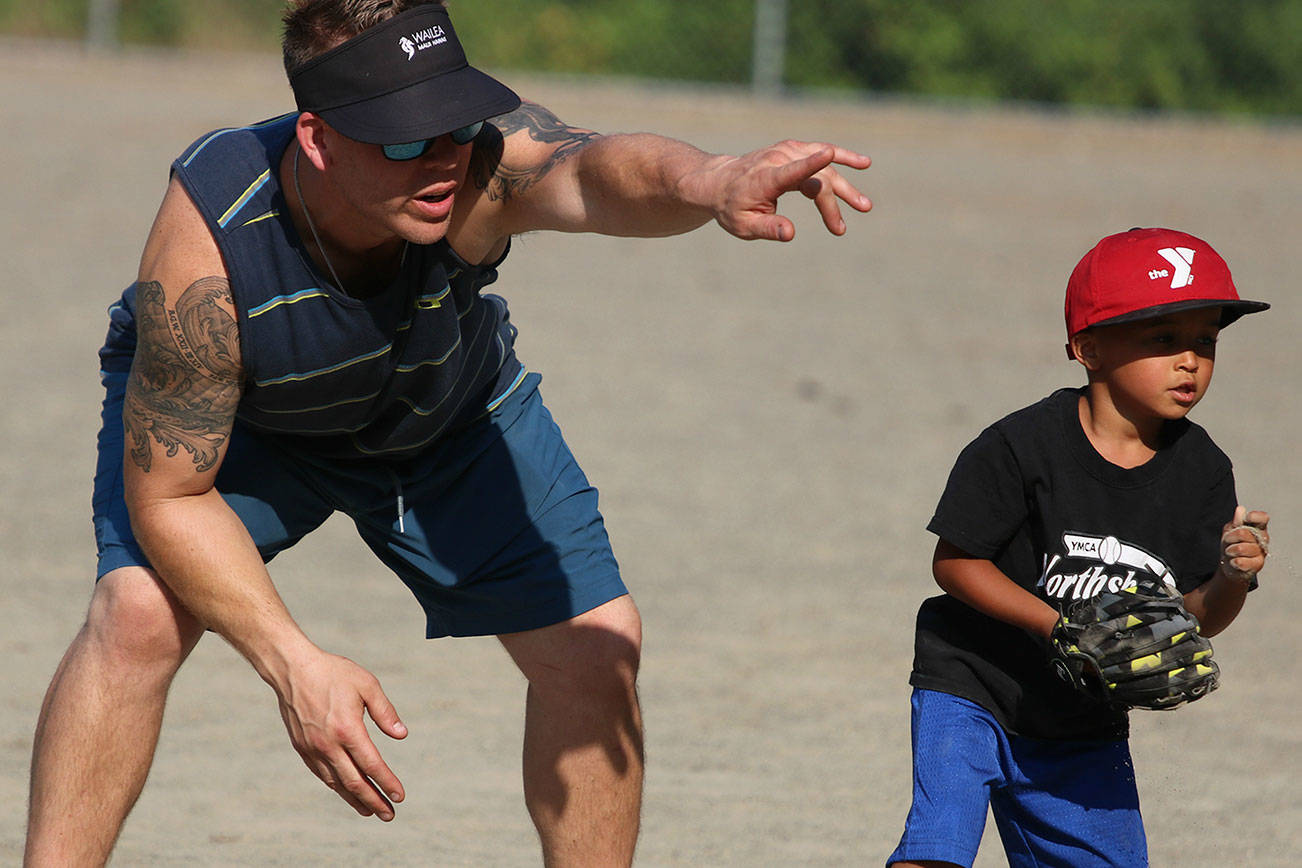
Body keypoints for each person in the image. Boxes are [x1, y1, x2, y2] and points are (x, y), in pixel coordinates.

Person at [23, 2, 873, 866]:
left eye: (456, 126)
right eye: (401, 140)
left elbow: (595, 170)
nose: (440, 161)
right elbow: (170, 495)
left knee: (597, 643)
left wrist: (715, 180)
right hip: (254, 421)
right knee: (136, 615)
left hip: (438, 407)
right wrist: (296, 664)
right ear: (315, 137)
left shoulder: (476, 169)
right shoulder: (209, 243)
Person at [886, 227, 1272, 868]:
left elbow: (1189, 621)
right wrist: (1058, 626)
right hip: (974, 682)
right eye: (1162, 339)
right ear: (1087, 348)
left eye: (1205, 341)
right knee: (938, 847)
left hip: (1080, 719)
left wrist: (1232, 577)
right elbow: (954, 562)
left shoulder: (1203, 471)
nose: (1190, 361)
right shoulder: (1019, 446)